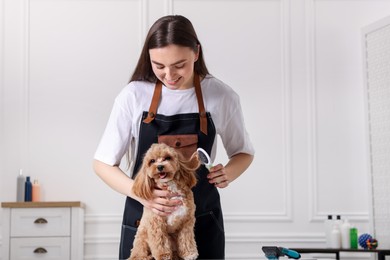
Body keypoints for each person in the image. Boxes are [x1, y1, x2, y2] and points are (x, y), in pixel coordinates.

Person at [93, 15, 255, 259]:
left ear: (196, 53)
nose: (169, 75)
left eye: (179, 65)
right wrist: (142, 194)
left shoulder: (221, 95)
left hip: (199, 223)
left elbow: (243, 152)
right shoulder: (133, 95)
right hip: (145, 224)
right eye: (159, 66)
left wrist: (229, 172)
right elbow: (102, 163)